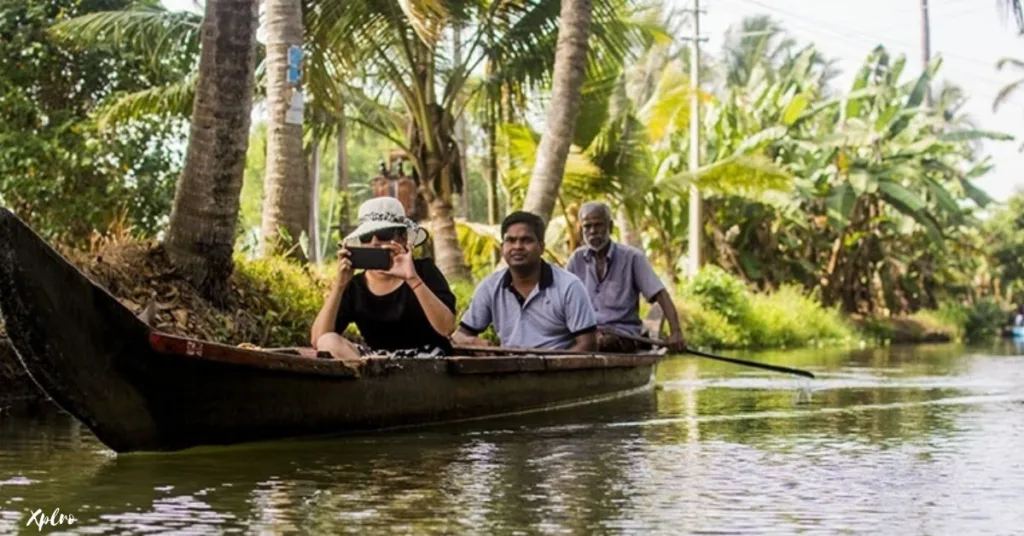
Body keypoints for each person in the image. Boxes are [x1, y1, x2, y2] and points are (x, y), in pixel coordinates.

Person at [310, 197, 456, 359]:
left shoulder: (423, 271)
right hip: (376, 363)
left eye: (383, 234)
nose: (374, 242)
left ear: (402, 238)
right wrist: (340, 285)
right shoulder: (356, 286)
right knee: (328, 341)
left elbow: (447, 327)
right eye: (366, 237)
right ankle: (376, 381)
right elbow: (318, 339)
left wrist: (412, 279)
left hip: (428, 359)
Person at [452, 211, 598, 351]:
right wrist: (474, 342)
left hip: (558, 372)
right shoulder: (490, 287)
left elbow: (588, 344)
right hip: (509, 370)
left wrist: (551, 369)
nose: (517, 247)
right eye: (511, 240)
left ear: (541, 247)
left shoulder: (569, 286)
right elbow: (460, 335)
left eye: (526, 240)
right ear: (502, 248)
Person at [566, 201, 686, 353]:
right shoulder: (576, 259)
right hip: (587, 334)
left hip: (622, 334)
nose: (592, 231)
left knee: (602, 343)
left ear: (609, 227)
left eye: (598, 225)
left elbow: (661, 294)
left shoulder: (632, 258)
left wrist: (676, 332)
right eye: (587, 226)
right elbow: (562, 300)